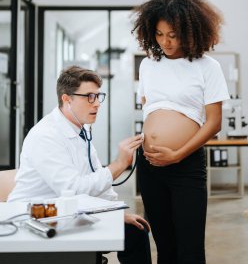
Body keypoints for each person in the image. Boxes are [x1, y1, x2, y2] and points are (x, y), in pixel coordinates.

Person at [8, 65, 152, 264]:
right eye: (89, 97)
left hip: (67, 211)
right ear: (67, 99)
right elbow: (74, 189)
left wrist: (116, 212)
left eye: (98, 96)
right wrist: (119, 164)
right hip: (36, 214)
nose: (97, 104)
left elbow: (94, 175)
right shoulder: (45, 136)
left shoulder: (81, 130)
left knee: (135, 229)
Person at [131, 0, 230, 264]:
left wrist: (177, 154)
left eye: (173, 34)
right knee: (165, 247)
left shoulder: (208, 67)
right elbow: (150, 109)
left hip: (186, 166)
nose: (166, 41)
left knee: (190, 249)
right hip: (150, 166)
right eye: (160, 34)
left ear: (190, 31)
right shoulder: (149, 65)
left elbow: (214, 122)